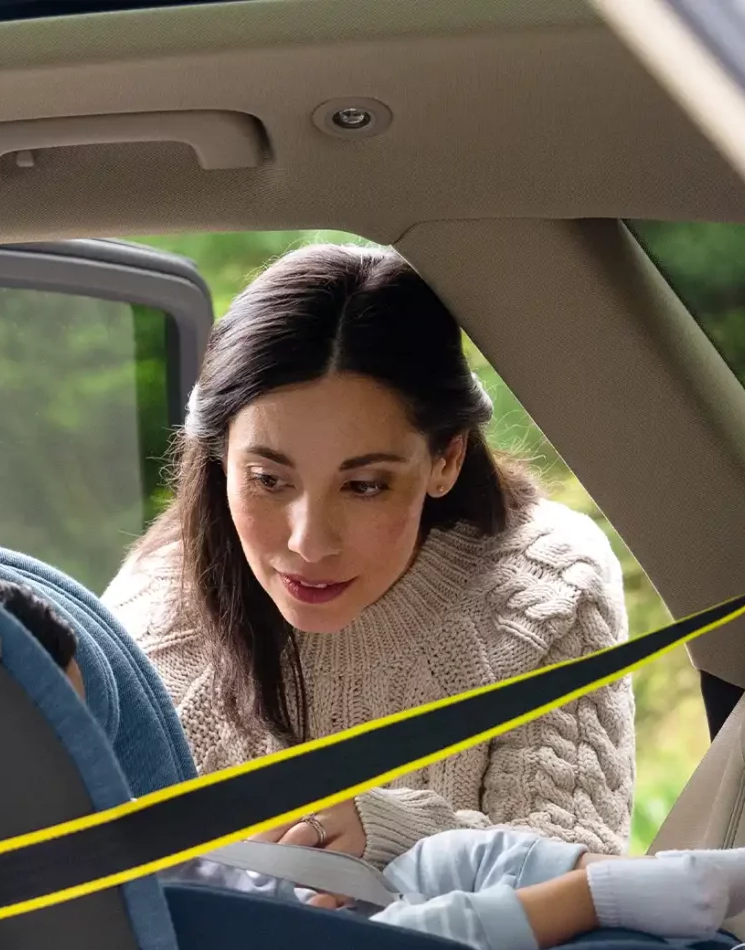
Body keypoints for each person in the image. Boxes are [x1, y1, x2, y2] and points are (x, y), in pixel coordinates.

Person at [0, 564, 745, 950]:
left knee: (438, 860)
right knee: (418, 937)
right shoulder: (18, 901)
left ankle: (633, 885)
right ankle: (598, 896)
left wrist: (271, 859)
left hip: (276, 907)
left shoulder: (103, 824)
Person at [105, 244, 633, 871]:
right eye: (269, 480)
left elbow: (583, 862)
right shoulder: (156, 611)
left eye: (364, 486)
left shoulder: (547, 586)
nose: (308, 542)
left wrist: (393, 832)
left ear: (447, 459)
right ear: (221, 457)